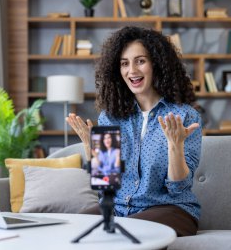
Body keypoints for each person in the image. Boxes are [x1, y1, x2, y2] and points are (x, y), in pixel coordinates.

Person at [66, 26, 202, 237]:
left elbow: (179, 187)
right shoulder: (110, 117)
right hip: (119, 208)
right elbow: (106, 184)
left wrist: (175, 145)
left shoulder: (184, 116)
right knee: (73, 228)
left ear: (156, 64)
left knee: (124, 231)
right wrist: (88, 145)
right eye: (124, 63)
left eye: (140, 61)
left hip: (170, 210)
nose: (132, 71)